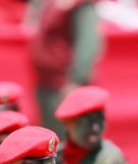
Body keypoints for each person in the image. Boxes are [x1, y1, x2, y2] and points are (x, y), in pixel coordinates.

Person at [29, 0, 103, 137]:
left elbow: (87, 44)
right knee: (50, 136)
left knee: (67, 137)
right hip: (48, 83)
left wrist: (76, 80)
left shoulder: (81, 6)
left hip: (64, 86)